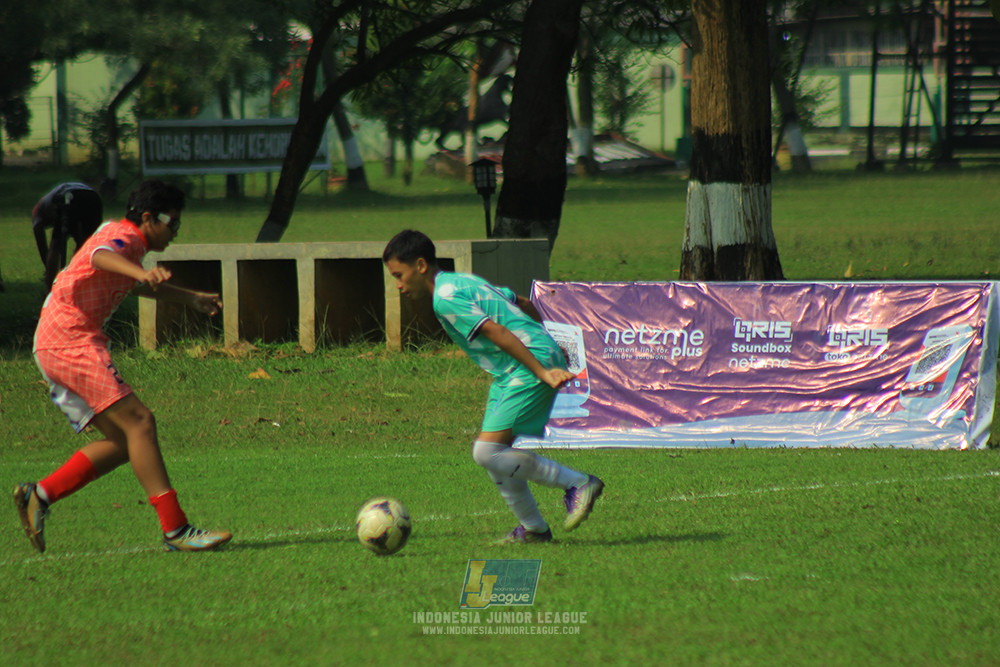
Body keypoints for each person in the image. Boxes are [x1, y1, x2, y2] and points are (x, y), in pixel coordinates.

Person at [13, 179, 232, 553]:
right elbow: (99, 255)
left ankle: (40, 495)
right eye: (172, 222)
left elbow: (131, 281)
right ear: (148, 217)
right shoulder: (123, 236)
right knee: (140, 422)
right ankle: (176, 529)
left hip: (59, 340)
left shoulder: (130, 246)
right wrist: (141, 272)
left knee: (126, 440)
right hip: (69, 339)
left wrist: (189, 297)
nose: (176, 231)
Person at [383, 229, 604, 544]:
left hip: (525, 365)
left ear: (420, 265)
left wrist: (542, 369)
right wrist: (547, 342)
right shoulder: (461, 281)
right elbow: (522, 302)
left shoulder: (445, 299)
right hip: (518, 366)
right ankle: (533, 530)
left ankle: (578, 483)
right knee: (495, 454)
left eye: (399, 275)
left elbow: (496, 332)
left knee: (486, 452)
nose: (398, 285)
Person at [32, 182, 105, 290]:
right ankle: (78, 281)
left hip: (69, 196)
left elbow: (41, 243)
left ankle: (51, 290)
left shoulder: (38, 213)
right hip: (94, 197)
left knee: (55, 246)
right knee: (87, 245)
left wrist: (48, 268)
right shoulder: (48, 201)